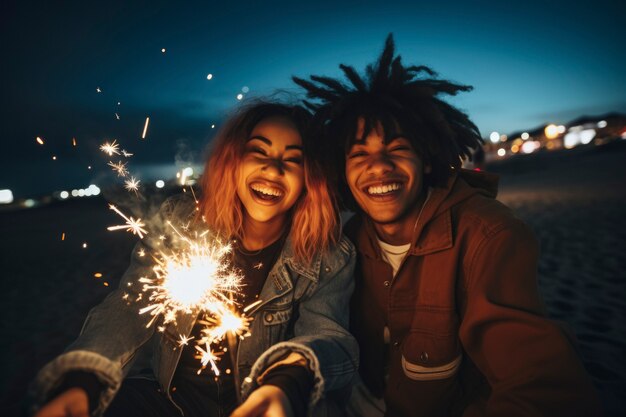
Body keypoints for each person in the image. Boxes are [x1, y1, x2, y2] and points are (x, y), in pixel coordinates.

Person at [294, 35, 601, 416]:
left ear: (426, 158)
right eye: (359, 154)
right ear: (342, 170)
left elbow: (543, 387)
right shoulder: (344, 243)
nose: (379, 166)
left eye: (397, 148)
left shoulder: (487, 235)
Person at [29, 102, 357, 417]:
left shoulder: (327, 255)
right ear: (232, 160)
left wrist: (285, 386)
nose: (272, 169)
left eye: (294, 160)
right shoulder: (182, 222)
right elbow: (130, 308)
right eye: (258, 151)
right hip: (171, 402)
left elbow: (328, 336)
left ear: (310, 178)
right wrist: (83, 381)